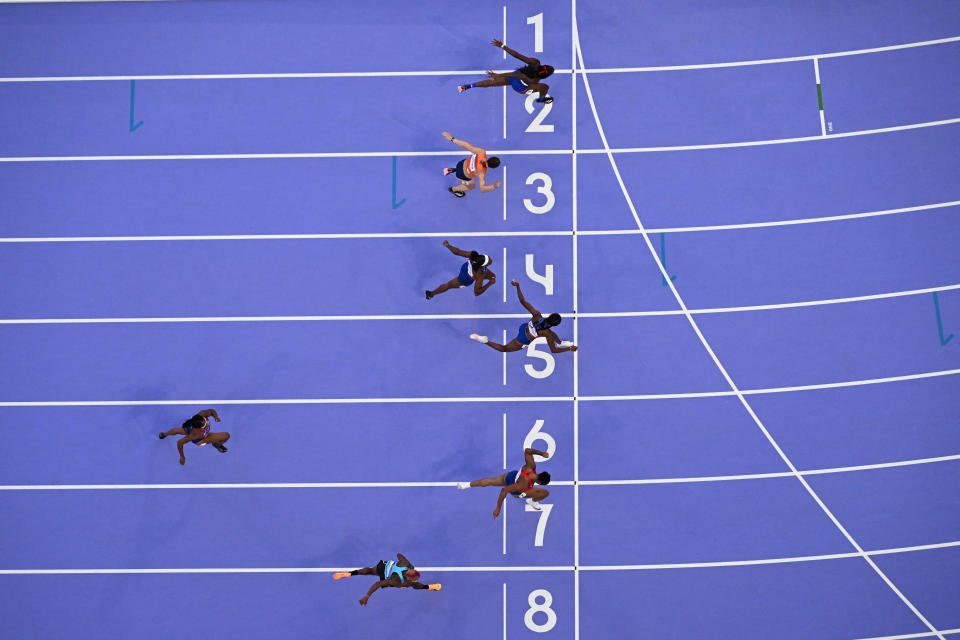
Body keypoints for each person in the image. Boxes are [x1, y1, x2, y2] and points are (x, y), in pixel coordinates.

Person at [469, 280, 577, 354]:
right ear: (554, 325)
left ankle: (560, 342)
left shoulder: (537, 315)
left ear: (550, 314)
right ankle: (484, 340)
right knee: (504, 349)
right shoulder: (547, 333)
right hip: (522, 340)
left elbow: (523, 301)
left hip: (524, 327)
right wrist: (570, 349)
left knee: (553, 335)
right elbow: (554, 351)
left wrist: (518, 286)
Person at [457, 447, 551, 516]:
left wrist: (542, 453)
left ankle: (465, 485)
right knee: (545, 493)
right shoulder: (523, 485)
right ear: (539, 482)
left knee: (490, 481)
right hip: (517, 489)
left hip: (511, 476)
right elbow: (504, 490)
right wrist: (498, 508)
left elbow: (527, 451)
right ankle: (532, 501)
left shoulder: (531, 466)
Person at [458, 39, 554, 103]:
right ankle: (541, 99)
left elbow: (517, 55)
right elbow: (518, 77)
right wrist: (497, 75)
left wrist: (503, 46)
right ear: (545, 76)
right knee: (545, 87)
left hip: (515, 76)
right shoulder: (534, 80)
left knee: (492, 83)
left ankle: (467, 86)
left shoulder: (535, 62)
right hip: (519, 87)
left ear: (543, 66)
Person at [333, 552, 441, 606]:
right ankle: (429, 587)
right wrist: (367, 596)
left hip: (385, 566)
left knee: (370, 570)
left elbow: (398, 554)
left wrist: (410, 565)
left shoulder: (406, 563)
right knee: (414, 586)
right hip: (388, 575)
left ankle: (350, 574)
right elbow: (378, 583)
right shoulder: (399, 582)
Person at [426, 240, 496, 299]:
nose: (491, 259)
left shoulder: (473, 255)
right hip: (465, 279)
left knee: (492, 276)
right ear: (483, 265)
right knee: (449, 285)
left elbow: (458, 252)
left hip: (465, 267)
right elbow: (476, 292)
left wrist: (448, 245)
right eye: (489, 262)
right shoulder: (480, 275)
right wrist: (490, 283)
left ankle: (491, 278)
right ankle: (431, 294)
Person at [441, 130, 501, 198]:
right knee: (472, 186)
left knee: (468, 168)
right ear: (492, 167)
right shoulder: (482, 173)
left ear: (489, 158)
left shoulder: (481, 152)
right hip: (460, 175)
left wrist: (452, 138)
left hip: (460, 163)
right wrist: (494, 186)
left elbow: (466, 145)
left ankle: (454, 169)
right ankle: (453, 190)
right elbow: (482, 189)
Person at [158, 409, 229, 466]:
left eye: (204, 420)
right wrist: (182, 457)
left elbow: (212, 411)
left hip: (190, 429)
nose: (205, 421)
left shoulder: (202, 414)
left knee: (176, 430)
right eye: (203, 423)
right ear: (200, 427)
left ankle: (164, 434)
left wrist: (216, 417)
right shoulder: (195, 434)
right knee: (226, 436)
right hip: (202, 439)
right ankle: (216, 444)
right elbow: (180, 442)